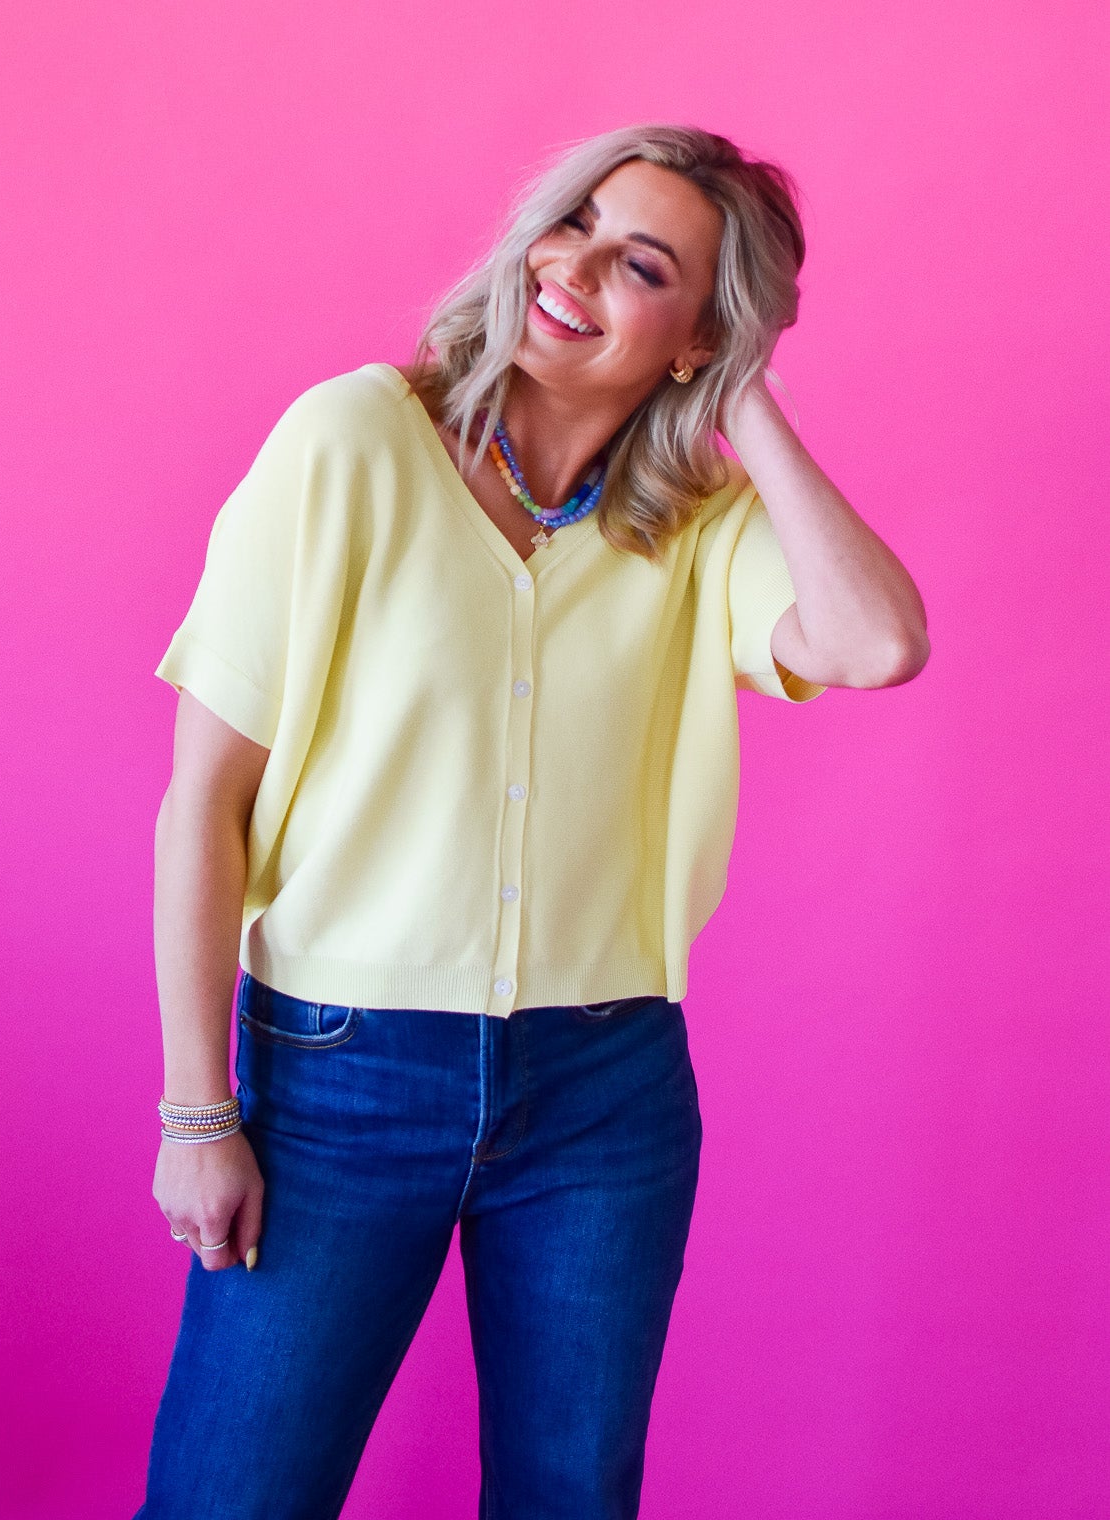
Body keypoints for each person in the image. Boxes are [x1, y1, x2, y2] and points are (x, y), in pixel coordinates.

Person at [132, 124, 929, 1520]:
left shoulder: (696, 526)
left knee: (569, 1496)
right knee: (230, 1498)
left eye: (641, 266)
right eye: (572, 223)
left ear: (696, 337)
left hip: (601, 1090)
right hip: (335, 1080)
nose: (570, 269)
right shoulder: (350, 442)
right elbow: (206, 797)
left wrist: (748, 408)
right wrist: (198, 1111)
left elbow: (874, 644)